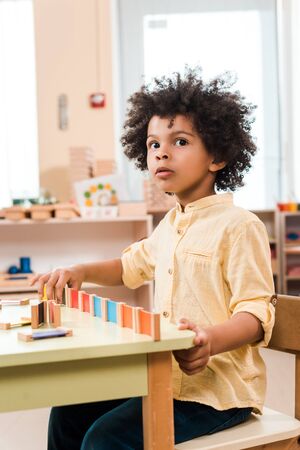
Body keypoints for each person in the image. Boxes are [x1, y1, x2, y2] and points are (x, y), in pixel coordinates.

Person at [32, 68, 275, 450]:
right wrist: (80, 272)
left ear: (218, 155)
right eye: (151, 144)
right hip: (164, 376)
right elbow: (130, 266)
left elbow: (256, 314)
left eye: (179, 141)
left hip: (217, 392)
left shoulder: (239, 226)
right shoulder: (171, 223)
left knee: (105, 438)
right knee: (69, 410)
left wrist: (209, 339)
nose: (161, 152)